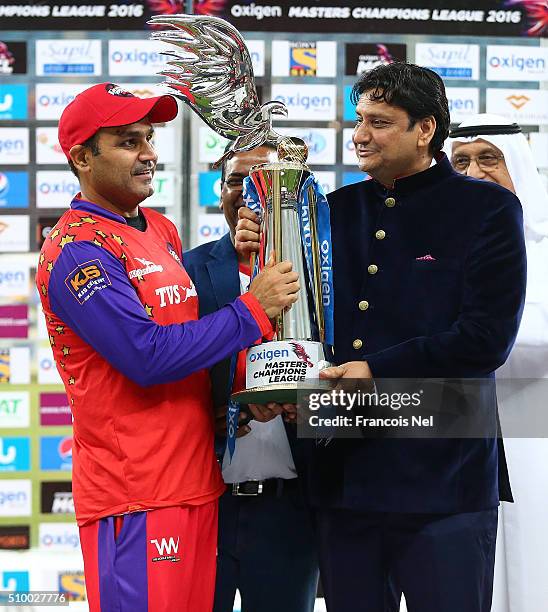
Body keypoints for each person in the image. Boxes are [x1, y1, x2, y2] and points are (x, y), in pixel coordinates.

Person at [235, 63, 526, 611]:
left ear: (426, 129)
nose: (360, 135)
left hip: (444, 481)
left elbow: (486, 340)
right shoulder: (332, 212)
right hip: (345, 482)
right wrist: (290, 384)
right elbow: (309, 330)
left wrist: (376, 371)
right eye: (359, 120)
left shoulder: (487, 209)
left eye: (380, 122)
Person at [35, 82, 300, 612]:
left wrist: (237, 402)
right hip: (134, 491)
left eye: (150, 138)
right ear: (82, 157)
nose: (150, 153)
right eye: (129, 141)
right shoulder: (76, 250)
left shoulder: (159, 228)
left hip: (197, 480)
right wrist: (254, 307)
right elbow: (147, 355)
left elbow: (192, 345)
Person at [183, 143, 319, 612]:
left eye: (266, 179)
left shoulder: (322, 275)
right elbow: (165, 364)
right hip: (205, 504)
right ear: (220, 192)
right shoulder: (186, 271)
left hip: (289, 509)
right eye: (238, 180)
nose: (250, 192)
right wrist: (202, 420)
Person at [446, 114, 548, 612]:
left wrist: (462, 336)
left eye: (490, 158)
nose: (475, 171)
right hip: (450, 428)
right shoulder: (432, 246)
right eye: (460, 160)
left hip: (537, 430)